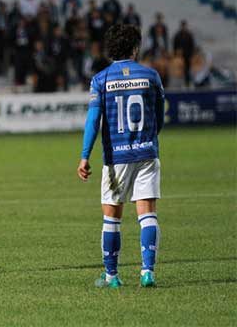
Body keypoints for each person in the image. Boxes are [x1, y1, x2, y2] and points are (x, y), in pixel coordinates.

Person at [77, 24, 165, 289]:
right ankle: (147, 271)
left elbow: (94, 121)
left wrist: (84, 156)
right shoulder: (151, 75)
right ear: (135, 47)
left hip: (116, 157)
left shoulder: (101, 79)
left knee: (112, 217)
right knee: (147, 214)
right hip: (147, 152)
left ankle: (112, 276)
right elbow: (159, 116)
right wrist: (149, 137)